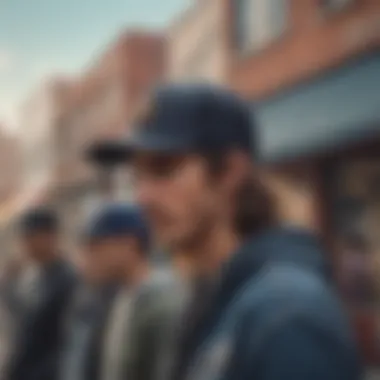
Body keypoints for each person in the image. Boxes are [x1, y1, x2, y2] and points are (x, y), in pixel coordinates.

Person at [120, 84, 362, 380]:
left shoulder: (286, 317)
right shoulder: (214, 299)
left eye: (164, 169)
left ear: (231, 171)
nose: (142, 198)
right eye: (138, 177)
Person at [62, 204, 184, 380]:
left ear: (129, 244)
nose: (86, 260)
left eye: (95, 248)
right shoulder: (122, 297)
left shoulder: (161, 303)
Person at [7, 208, 76, 380]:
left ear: (49, 237)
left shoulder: (67, 280)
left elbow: (61, 342)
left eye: (31, 237)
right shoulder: (39, 276)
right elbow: (25, 322)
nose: (26, 245)